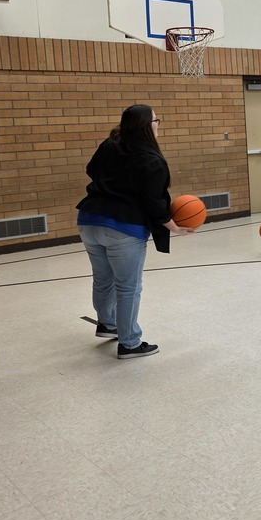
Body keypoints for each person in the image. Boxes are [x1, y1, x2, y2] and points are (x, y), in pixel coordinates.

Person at [76, 104, 195, 360]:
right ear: (145, 126)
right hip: (122, 228)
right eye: (156, 120)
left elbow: (90, 169)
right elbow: (154, 204)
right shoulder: (152, 160)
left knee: (102, 278)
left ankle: (107, 324)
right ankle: (129, 343)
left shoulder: (109, 145)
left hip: (88, 220)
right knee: (128, 287)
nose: (157, 124)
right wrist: (174, 227)